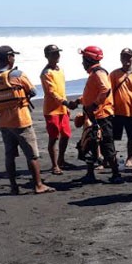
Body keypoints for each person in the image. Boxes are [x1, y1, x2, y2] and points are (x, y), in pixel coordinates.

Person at [0, 46, 54, 195]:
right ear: (9, 58)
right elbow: (33, 91)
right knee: (32, 155)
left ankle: (13, 187)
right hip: (21, 120)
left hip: (3, 122)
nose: (14, 58)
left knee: (9, 155)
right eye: (13, 56)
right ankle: (38, 185)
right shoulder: (17, 74)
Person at [69, 46, 123, 184]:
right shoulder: (95, 73)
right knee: (89, 143)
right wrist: (79, 101)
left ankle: (116, 174)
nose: (82, 63)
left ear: (89, 59)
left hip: (101, 116)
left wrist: (94, 105)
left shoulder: (98, 73)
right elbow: (93, 93)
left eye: (83, 59)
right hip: (94, 115)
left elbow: (105, 90)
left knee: (106, 144)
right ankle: (90, 174)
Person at [109, 47, 132, 168]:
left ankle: (129, 158)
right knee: (111, 137)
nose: (126, 59)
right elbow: (108, 92)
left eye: (129, 57)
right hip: (116, 112)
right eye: (124, 57)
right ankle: (110, 158)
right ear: (120, 59)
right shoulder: (114, 74)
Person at [40, 44, 73, 175]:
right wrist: (64, 102)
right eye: (53, 53)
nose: (57, 55)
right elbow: (51, 92)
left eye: (57, 53)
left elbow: (62, 90)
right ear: (47, 56)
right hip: (51, 110)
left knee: (66, 134)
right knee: (53, 137)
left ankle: (61, 159)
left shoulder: (60, 70)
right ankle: (55, 165)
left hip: (62, 108)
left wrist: (65, 105)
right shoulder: (46, 73)